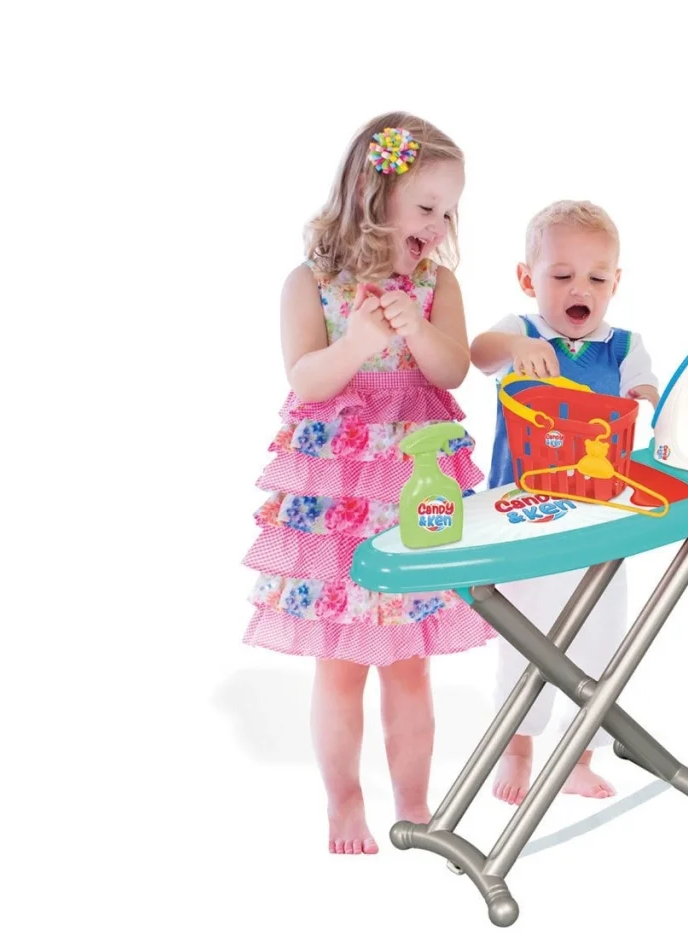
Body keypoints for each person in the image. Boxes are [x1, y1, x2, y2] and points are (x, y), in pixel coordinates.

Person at [243, 113, 496, 853]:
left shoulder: (436, 283)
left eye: (449, 210)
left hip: (415, 485)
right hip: (339, 502)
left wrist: (416, 329)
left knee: (410, 667)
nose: (440, 225)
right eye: (426, 207)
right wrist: (358, 341)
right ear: (372, 194)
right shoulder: (311, 283)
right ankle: (344, 801)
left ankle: (413, 803)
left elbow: (453, 370)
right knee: (342, 667)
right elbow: (305, 379)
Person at [469, 200, 660, 805]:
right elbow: (479, 352)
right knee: (525, 640)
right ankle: (518, 746)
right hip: (523, 518)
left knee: (600, 639)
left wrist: (651, 401)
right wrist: (512, 347)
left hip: (599, 521)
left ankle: (578, 756)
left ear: (615, 283)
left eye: (597, 278)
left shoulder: (624, 346)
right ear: (528, 279)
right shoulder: (521, 331)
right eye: (562, 275)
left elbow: (647, 393)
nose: (581, 289)